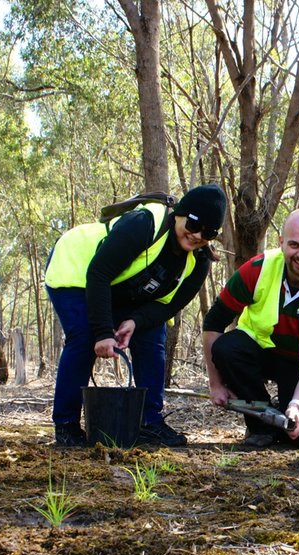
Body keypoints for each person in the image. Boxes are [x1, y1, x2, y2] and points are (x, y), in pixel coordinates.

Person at [45, 184, 228, 447]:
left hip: (122, 290)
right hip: (76, 268)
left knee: (152, 336)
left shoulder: (199, 261)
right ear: (179, 214)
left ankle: (149, 422)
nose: (197, 235)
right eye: (193, 224)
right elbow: (99, 274)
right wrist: (103, 332)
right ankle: (66, 425)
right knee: (85, 337)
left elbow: (167, 307)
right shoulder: (143, 223)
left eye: (208, 233)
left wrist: (135, 321)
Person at [202, 208, 299, 448]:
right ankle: (261, 425)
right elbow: (214, 322)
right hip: (261, 354)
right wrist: (215, 384)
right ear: (281, 242)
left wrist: (297, 404)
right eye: (294, 245)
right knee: (226, 349)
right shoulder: (257, 269)